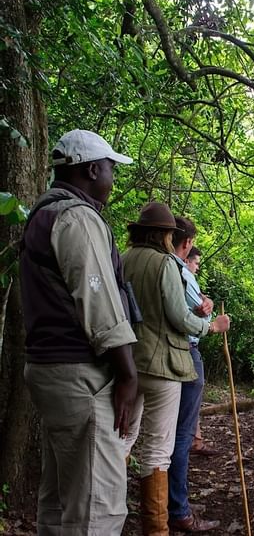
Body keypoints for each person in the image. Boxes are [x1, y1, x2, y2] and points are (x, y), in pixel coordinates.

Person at [20, 129, 138, 535]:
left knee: (59, 497)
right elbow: (99, 304)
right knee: (96, 508)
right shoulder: (76, 217)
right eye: (109, 169)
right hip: (79, 375)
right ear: (91, 169)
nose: (112, 178)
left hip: (47, 369)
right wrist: (127, 374)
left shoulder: (43, 213)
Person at [122, 203, 230, 535]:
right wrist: (210, 326)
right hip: (163, 364)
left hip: (125, 361)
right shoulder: (165, 263)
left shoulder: (123, 259)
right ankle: (157, 528)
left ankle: (110, 510)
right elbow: (178, 317)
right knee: (158, 446)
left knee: (124, 438)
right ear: (167, 235)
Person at [167, 218, 218, 532]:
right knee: (179, 434)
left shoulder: (140, 261)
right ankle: (177, 509)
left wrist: (204, 309)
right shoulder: (175, 270)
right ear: (185, 244)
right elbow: (191, 314)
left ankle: (174, 502)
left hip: (171, 352)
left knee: (169, 433)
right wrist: (211, 322)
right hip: (183, 350)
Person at [184, 246, 218, 457]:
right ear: (187, 259)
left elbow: (202, 306)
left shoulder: (185, 277)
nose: (197, 268)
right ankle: (190, 441)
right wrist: (209, 314)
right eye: (196, 263)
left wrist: (207, 304)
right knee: (191, 395)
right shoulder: (184, 275)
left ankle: (196, 439)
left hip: (187, 344)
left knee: (193, 395)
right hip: (187, 344)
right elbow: (203, 313)